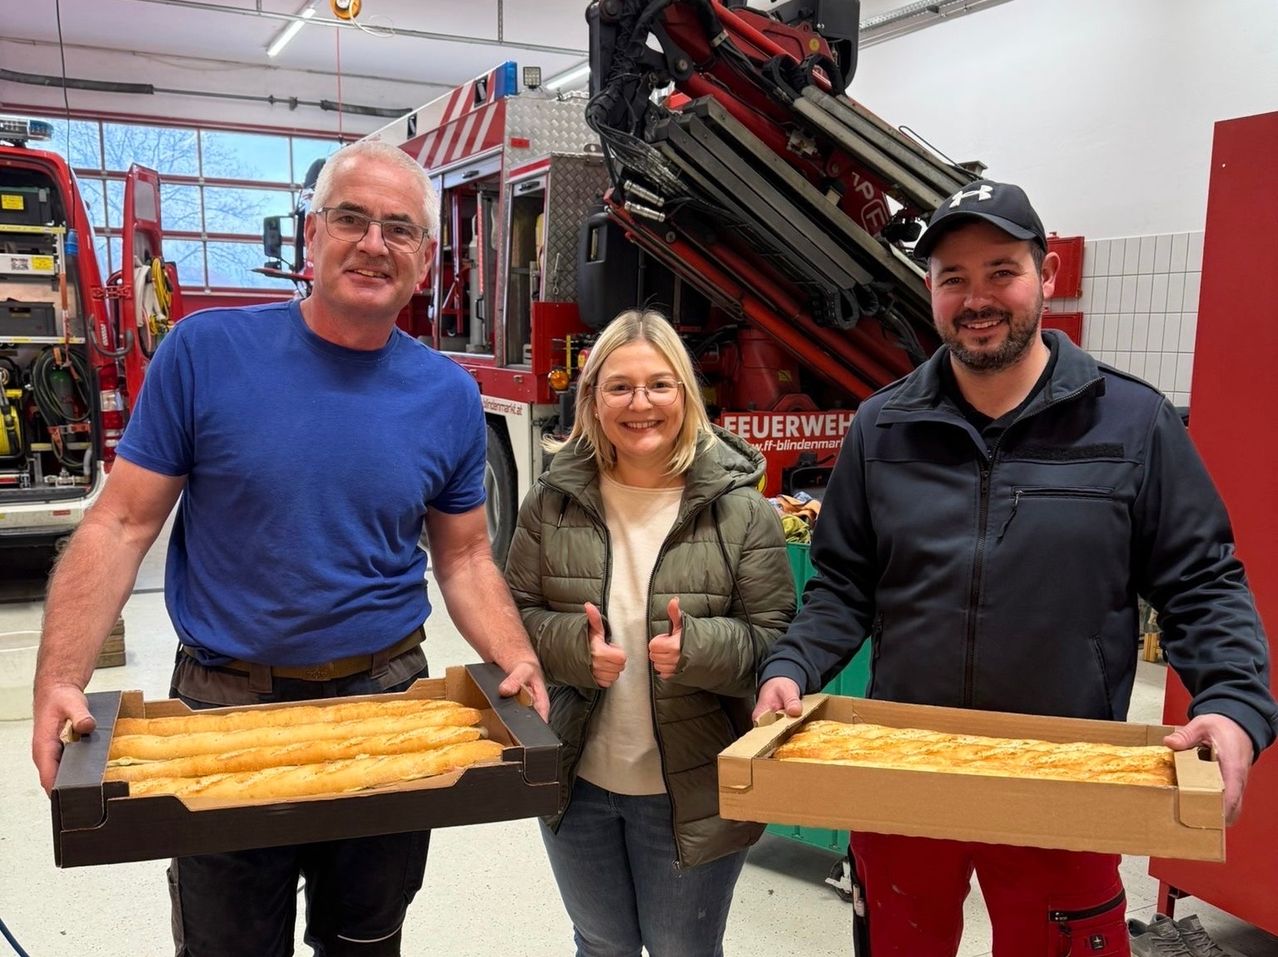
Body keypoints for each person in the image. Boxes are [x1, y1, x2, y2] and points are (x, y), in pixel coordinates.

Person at [31, 138, 548, 957]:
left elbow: (465, 556)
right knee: (229, 944)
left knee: (367, 937)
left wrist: (515, 655)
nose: (373, 243)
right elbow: (120, 523)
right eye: (351, 218)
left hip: (387, 704)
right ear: (311, 237)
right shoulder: (205, 353)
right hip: (223, 704)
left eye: (398, 228)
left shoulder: (448, 394)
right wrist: (61, 676)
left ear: (424, 256)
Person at [754, 180, 1278, 956]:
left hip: (1065, 776)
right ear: (929, 289)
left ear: (1048, 275)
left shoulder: (1134, 423)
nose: (976, 298)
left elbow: (1201, 582)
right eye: (952, 278)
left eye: (1001, 270)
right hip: (908, 768)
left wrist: (1235, 704)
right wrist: (793, 664)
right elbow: (843, 584)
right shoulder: (882, 426)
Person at [504, 309, 795, 957]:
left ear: (686, 397)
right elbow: (513, 621)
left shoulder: (741, 511)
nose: (641, 403)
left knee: (681, 950)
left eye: (660, 385)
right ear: (592, 399)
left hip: (692, 789)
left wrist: (697, 650)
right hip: (575, 779)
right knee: (601, 943)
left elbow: (778, 645)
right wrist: (570, 648)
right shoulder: (551, 503)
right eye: (620, 386)